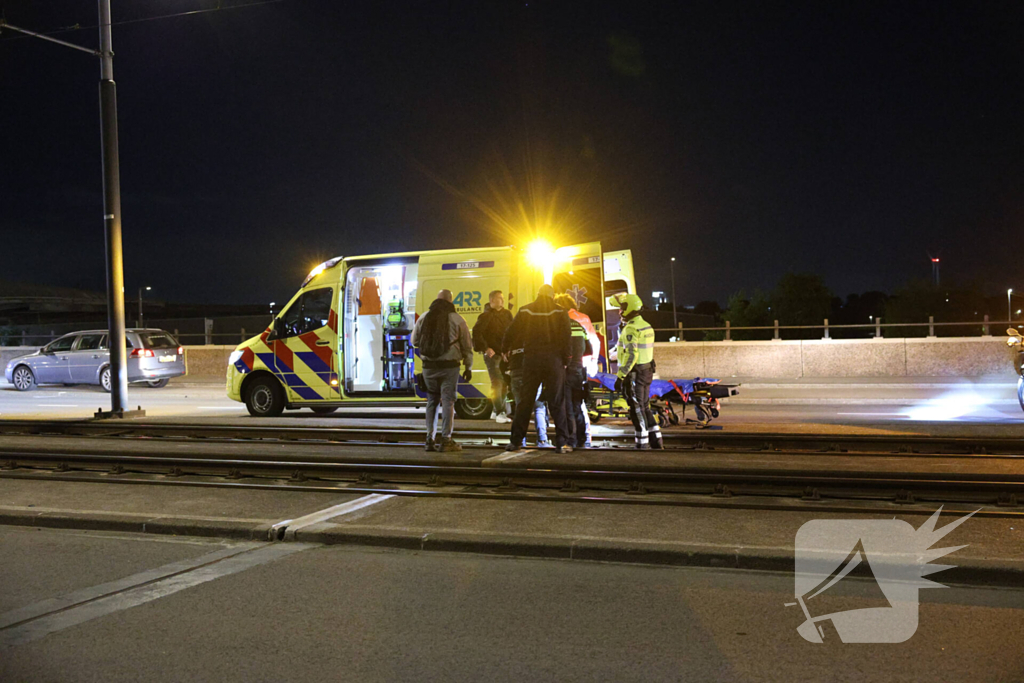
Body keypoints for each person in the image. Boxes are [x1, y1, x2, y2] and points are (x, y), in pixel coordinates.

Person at [505, 284, 572, 453]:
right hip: (554, 360)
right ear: (552, 295)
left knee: (525, 402)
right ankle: (561, 442)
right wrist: (566, 359)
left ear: (538, 294)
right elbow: (566, 336)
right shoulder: (560, 311)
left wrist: (505, 348)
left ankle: (516, 441)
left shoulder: (525, 310)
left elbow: (511, 332)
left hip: (532, 359)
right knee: (556, 401)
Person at [411, 289, 473, 452]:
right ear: (451, 301)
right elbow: (467, 346)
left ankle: (429, 439)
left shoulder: (424, 317)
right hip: (449, 367)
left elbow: (414, 341)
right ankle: (446, 439)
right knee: (448, 402)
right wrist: (468, 367)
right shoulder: (457, 319)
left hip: (429, 368)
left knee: (432, 401)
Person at [614, 293, 662, 450]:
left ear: (630, 309)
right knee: (644, 407)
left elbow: (631, 355)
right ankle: (656, 440)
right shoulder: (646, 326)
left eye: (622, 308)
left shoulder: (631, 328)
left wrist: (621, 377)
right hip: (647, 370)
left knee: (636, 409)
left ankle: (642, 445)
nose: (620, 311)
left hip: (635, 373)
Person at [501, 318, 551, 449]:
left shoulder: (512, 338)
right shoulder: (533, 338)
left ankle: (519, 441)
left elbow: (504, 362)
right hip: (531, 373)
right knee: (539, 407)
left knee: (520, 407)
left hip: (516, 373)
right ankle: (542, 440)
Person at [554, 294, 591, 448]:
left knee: (567, 407)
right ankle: (582, 438)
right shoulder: (579, 326)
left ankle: (572, 440)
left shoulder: (560, 328)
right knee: (577, 406)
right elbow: (588, 350)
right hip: (579, 371)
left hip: (566, 371)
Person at [472, 290, 514, 424]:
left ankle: (496, 411)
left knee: (504, 382)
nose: (502, 300)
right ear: (491, 301)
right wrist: (485, 348)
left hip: (505, 354)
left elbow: (512, 332)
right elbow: (477, 334)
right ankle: (500, 411)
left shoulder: (507, 314)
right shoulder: (485, 316)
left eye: (502, 298)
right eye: (499, 298)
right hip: (494, 355)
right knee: (497, 382)